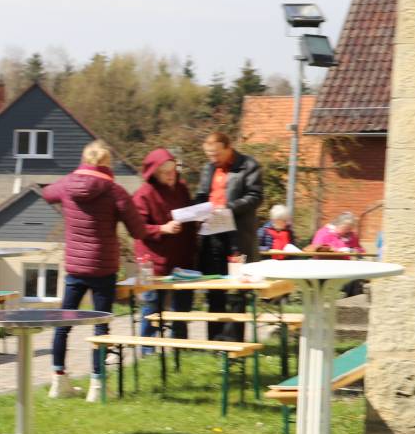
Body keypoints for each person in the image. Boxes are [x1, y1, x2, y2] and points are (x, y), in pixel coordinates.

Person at [40, 140, 151, 401]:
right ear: (107, 163)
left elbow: (46, 194)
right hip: (103, 267)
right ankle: (97, 386)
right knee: (100, 327)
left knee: (63, 324)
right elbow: (138, 231)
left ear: (84, 160)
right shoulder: (114, 191)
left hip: (75, 267)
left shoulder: (67, 185)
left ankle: (59, 381)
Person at [194, 131, 264, 340]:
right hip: (212, 234)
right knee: (214, 287)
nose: (213, 159)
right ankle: (215, 340)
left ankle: (233, 340)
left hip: (237, 236)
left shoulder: (248, 166)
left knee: (236, 290)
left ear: (228, 147)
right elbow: (202, 194)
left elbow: (255, 197)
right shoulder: (208, 168)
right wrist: (197, 208)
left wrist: (229, 208)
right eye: (209, 155)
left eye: (216, 154)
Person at [130, 148, 197, 349]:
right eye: (165, 172)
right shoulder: (144, 194)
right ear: (154, 173)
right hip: (154, 263)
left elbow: (190, 214)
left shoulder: (181, 188)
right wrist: (162, 228)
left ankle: (180, 348)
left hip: (182, 259)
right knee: (152, 308)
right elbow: (138, 228)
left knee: (182, 309)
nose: (171, 175)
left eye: (173, 170)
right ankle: (148, 350)